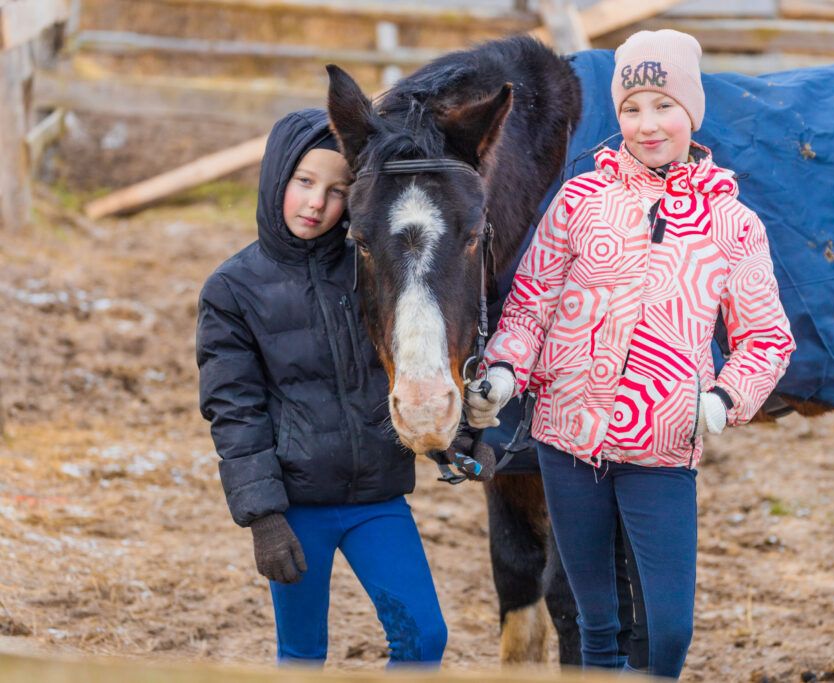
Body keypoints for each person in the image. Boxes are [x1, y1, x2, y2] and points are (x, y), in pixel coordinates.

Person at [465, 31, 795, 678]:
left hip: (663, 444)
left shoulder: (732, 223)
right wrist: (506, 368)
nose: (648, 125)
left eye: (663, 106)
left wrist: (726, 397)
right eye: (632, 109)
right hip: (567, 439)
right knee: (596, 620)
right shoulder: (579, 202)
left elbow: (766, 337)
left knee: (669, 629)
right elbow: (531, 302)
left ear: (691, 112)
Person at [196, 109, 446, 667]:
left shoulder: (373, 268)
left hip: (377, 499)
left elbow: (409, 363)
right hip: (297, 507)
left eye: (337, 190)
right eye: (304, 182)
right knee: (303, 655)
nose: (316, 203)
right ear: (276, 177)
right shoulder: (232, 290)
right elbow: (234, 411)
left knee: (425, 639)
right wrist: (262, 516)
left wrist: (453, 438)